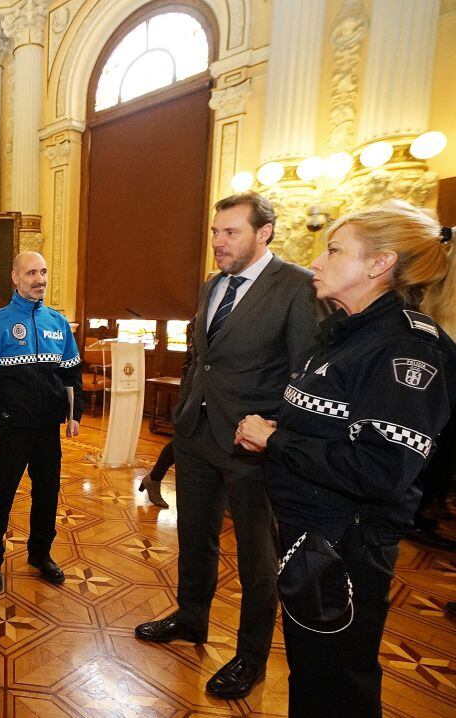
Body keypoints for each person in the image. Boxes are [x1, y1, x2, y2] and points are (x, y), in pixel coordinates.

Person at [236, 203, 455, 717]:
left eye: (334, 250)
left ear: (380, 263)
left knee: (338, 684)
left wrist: (275, 442)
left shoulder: (406, 348)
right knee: (312, 673)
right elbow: (329, 420)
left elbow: (381, 469)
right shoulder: (346, 332)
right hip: (310, 537)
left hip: (344, 549)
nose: (316, 260)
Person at [135, 192, 323, 700]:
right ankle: (192, 618)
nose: (218, 242)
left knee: (257, 557)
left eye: (231, 232)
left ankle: (250, 656)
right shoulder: (212, 285)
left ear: (264, 233)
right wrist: (184, 410)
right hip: (196, 436)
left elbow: (307, 372)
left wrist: (272, 426)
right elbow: (204, 356)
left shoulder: (299, 287)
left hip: (250, 445)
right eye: (216, 232)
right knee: (195, 537)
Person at [0, 251, 82, 593]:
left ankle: (40, 554)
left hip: (47, 430)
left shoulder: (58, 324)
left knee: (47, 494)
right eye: (31, 272)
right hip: (7, 430)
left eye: (43, 272)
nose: (39, 279)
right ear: (15, 278)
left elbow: (71, 374)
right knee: (0, 496)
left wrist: (74, 416)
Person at [139, 321, 195, 509]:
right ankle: (154, 479)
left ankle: (153, 478)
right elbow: (195, 360)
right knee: (184, 439)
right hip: (198, 388)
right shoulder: (201, 318)